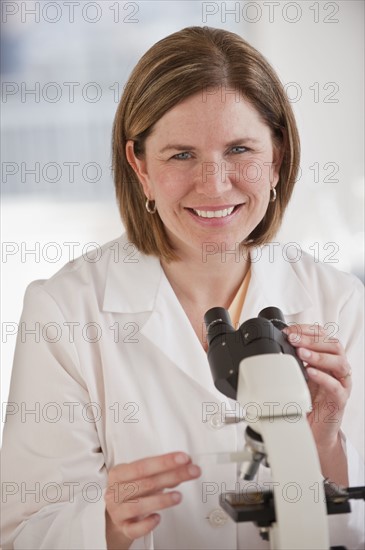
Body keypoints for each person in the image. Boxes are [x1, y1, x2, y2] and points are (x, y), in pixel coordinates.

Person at [1, 26, 364, 550]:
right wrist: (102, 525)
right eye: (180, 155)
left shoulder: (341, 303)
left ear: (278, 157)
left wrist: (324, 446)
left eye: (240, 148)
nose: (214, 184)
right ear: (139, 166)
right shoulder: (63, 312)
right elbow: (23, 535)